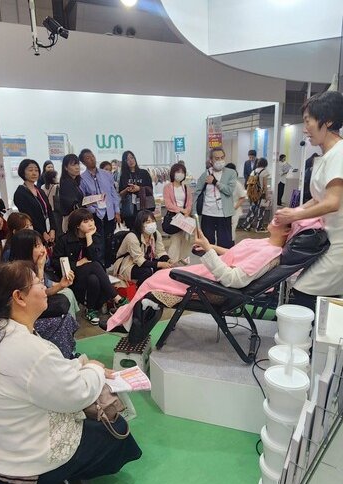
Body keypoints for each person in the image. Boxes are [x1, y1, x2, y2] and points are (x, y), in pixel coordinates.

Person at [0, 261, 141, 484]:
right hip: (20, 467)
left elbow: (46, 373)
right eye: (38, 283)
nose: (44, 287)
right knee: (117, 428)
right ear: (19, 297)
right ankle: (68, 479)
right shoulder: (29, 349)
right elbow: (77, 395)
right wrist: (95, 370)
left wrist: (82, 363)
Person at [107, 218, 323, 333]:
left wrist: (209, 252)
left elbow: (233, 279)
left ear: (286, 231)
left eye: (281, 219)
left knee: (153, 281)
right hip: (208, 274)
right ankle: (129, 320)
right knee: (156, 279)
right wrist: (209, 246)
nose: (275, 217)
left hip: (212, 284)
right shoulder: (266, 243)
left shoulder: (269, 253)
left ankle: (125, 322)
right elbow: (234, 254)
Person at [274, 90, 343, 311]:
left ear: (328, 120)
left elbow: (332, 202)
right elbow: (318, 198)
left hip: (338, 243)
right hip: (327, 241)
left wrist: (295, 215)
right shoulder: (327, 156)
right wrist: (293, 213)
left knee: (305, 291)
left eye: (308, 121)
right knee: (313, 294)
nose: (305, 129)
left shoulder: (339, 153)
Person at [52, 209, 128, 325]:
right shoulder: (64, 239)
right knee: (95, 266)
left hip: (90, 275)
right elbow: (55, 262)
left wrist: (88, 237)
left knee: (94, 278)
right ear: (77, 225)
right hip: (70, 276)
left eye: (92, 220)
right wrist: (77, 264)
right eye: (86, 221)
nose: (91, 224)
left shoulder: (95, 236)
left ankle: (91, 310)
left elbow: (95, 258)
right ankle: (117, 298)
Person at [9, 229, 79, 321]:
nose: (43, 250)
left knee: (65, 295)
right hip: (26, 314)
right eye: (37, 246)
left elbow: (44, 292)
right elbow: (38, 297)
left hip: (36, 305)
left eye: (42, 244)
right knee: (62, 302)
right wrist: (40, 268)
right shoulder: (19, 272)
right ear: (25, 250)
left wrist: (61, 285)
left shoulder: (34, 264)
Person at [79, 149, 121, 267]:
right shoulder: (82, 178)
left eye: (92, 156)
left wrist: (117, 210)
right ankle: (100, 265)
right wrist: (93, 210)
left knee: (109, 239)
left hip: (109, 212)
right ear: (83, 162)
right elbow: (83, 199)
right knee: (98, 241)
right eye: (88, 158)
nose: (91, 159)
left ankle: (109, 265)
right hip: (94, 214)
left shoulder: (106, 174)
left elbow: (113, 193)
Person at [113, 210, 171, 287]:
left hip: (145, 260)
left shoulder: (156, 234)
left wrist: (169, 260)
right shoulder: (132, 237)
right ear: (140, 224)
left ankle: (156, 288)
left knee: (164, 268)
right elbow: (140, 260)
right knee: (147, 271)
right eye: (148, 222)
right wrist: (160, 264)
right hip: (127, 264)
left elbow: (160, 251)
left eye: (153, 221)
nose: (151, 224)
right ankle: (139, 289)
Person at [194, 147, 236, 248]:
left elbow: (229, 191)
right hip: (207, 213)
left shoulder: (231, 173)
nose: (220, 160)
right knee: (207, 244)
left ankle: (224, 259)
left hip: (224, 214)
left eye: (222, 157)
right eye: (217, 158)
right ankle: (209, 259)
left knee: (225, 243)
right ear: (211, 160)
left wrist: (215, 182)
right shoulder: (204, 175)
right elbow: (197, 193)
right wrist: (193, 213)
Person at [13, 159, 55, 247]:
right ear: (23, 172)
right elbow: (29, 216)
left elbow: (49, 210)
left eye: (36, 170)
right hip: (33, 233)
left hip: (48, 232)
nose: (34, 173)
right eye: (30, 170)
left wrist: (52, 229)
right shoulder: (20, 193)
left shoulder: (40, 191)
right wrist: (43, 232)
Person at [163, 162, 193, 262]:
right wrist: (181, 210)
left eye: (182, 172)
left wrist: (187, 211)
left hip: (185, 217)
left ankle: (184, 263)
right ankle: (172, 263)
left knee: (186, 241)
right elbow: (168, 204)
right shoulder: (167, 187)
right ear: (173, 173)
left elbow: (189, 202)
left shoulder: (186, 188)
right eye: (178, 172)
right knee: (175, 241)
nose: (180, 174)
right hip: (174, 217)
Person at [118, 150, 155, 230]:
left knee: (146, 229)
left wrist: (139, 188)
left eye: (132, 157)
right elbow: (120, 194)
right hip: (130, 209)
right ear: (125, 162)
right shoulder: (123, 176)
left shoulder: (144, 173)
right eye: (127, 159)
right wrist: (127, 190)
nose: (130, 160)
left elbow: (150, 190)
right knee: (133, 231)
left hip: (144, 208)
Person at [241, 157, 270, 233]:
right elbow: (265, 185)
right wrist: (267, 195)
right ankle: (259, 228)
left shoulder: (253, 171)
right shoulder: (264, 172)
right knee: (261, 210)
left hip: (253, 194)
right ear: (265, 164)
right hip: (261, 194)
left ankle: (246, 226)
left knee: (252, 210)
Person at [59, 153, 84, 234]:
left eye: (78, 164)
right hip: (72, 219)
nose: (77, 167)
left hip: (77, 218)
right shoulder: (66, 183)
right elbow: (71, 203)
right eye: (73, 165)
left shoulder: (75, 182)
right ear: (66, 167)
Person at [224, 163, 246, 243]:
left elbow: (242, 198)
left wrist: (233, 209)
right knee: (224, 231)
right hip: (223, 211)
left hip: (233, 211)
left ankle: (230, 246)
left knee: (231, 231)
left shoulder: (237, 184)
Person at [41, 170, 62, 235]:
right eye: (56, 177)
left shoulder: (42, 186)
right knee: (58, 228)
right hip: (55, 210)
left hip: (46, 211)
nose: (57, 178)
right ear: (53, 178)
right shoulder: (56, 186)